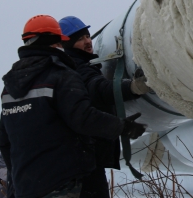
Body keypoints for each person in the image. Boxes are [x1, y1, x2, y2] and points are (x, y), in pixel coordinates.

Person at [0, 15, 145, 198]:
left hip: (26, 187)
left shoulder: (9, 87)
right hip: (61, 182)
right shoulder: (61, 75)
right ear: (56, 41)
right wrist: (122, 126)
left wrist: (18, 177)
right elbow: (83, 117)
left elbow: (4, 142)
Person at [58, 16, 151, 198]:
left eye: (87, 36)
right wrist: (132, 88)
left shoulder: (72, 66)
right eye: (79, 39)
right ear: (66, 45)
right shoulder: (76, 67)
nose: (87, 42)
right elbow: (97, 88)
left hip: (78, 158)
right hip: (85, 158)